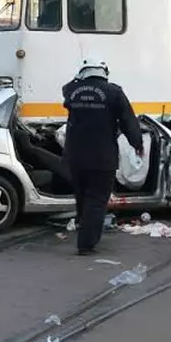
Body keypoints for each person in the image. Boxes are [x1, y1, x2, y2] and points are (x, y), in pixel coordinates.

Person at [60, 57, 143, 256]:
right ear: (104, 71)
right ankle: (86, 243)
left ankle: (84, 229)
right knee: (96, 200)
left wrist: (78, 78)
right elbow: (128, 121)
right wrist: (137, 144)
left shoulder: (72, 91)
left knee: (82, 196)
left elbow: (66, 89)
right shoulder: (114, 92)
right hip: (102, 157)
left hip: (75, 156)